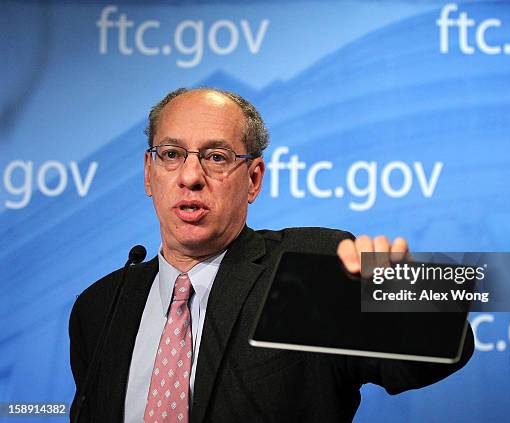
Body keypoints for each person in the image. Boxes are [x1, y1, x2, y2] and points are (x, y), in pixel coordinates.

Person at [69, 88, 474, 423]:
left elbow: (433, 355)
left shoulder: (308, 269)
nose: (190, 177)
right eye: (172, 154)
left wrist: (405, 294)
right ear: (148, 172)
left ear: (253, 179)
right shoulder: (100, 307)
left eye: (216, 157)